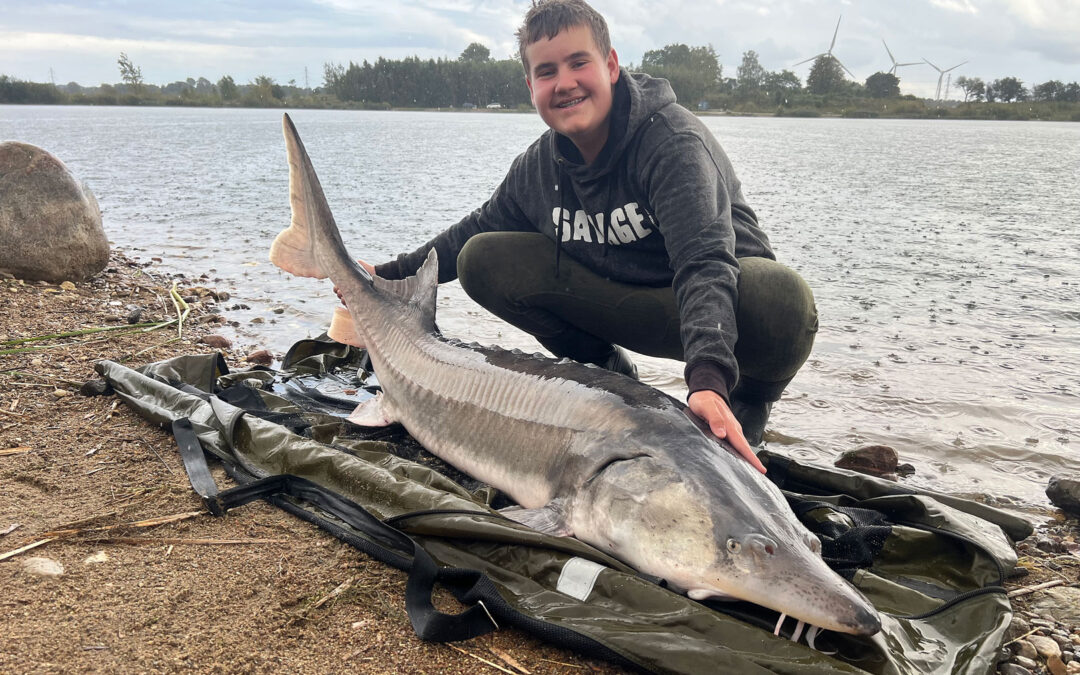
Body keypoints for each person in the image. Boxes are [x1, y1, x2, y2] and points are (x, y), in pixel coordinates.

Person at [347, 0, 818, 473]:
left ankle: (747, 404)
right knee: (480, 258)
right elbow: (475, 227)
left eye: (579, 63)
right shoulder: (538, 167)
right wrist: (385, 276)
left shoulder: (672, 143)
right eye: (547, 71)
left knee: (783, 299)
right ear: (531, 87)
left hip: (720, 310)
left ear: (611, 65)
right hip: (620, 300)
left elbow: (705, 264)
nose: (565, 83)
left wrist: (708, 381)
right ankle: (609, 377)